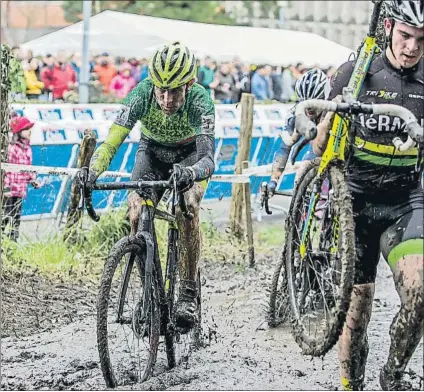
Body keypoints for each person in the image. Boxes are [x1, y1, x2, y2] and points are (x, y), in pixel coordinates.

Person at [312, 1, 424, 390]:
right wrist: (328, 124)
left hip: (404, 201)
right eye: (406, 36)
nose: (412, 48)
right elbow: (320, 143)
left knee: (420, 291)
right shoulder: (360, 69)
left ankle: (392, 375)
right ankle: (350, 384)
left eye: (421, 41)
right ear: (390, 28)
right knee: (357, 309)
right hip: (356, 201)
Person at [84, 42, 215, 330]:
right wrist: (94, 168)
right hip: (152, 153)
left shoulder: (200, 101)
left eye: (176, 91)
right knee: (136, 212)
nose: (167, 99)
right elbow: (112, 140)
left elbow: (208, 159)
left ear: (190, 84)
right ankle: (148, 291)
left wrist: (192, 172)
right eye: (161, 90)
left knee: (188, 207)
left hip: (190, 155)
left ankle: (188, 292)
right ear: (152, 84)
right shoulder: (141, 93)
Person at [267, 68, 330, 195]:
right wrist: (273, 180)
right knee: (302, 175)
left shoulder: (331, 110)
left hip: (329, 147)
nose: (309, 109)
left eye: (314, 104)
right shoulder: (295, 113)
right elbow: (284, 148)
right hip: (314, 149)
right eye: (305, 104)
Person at [2, 117, 40, 242]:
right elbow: (6, 170)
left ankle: (12, 242)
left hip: (20, 190)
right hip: (9, 191)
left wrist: (33, 180)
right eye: (26, 129)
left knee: (16, 218)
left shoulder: (28, 149)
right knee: (5, 217)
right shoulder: (12, 149)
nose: (30, 131)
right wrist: (5, 187)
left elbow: (28, 169)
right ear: (18, 132)